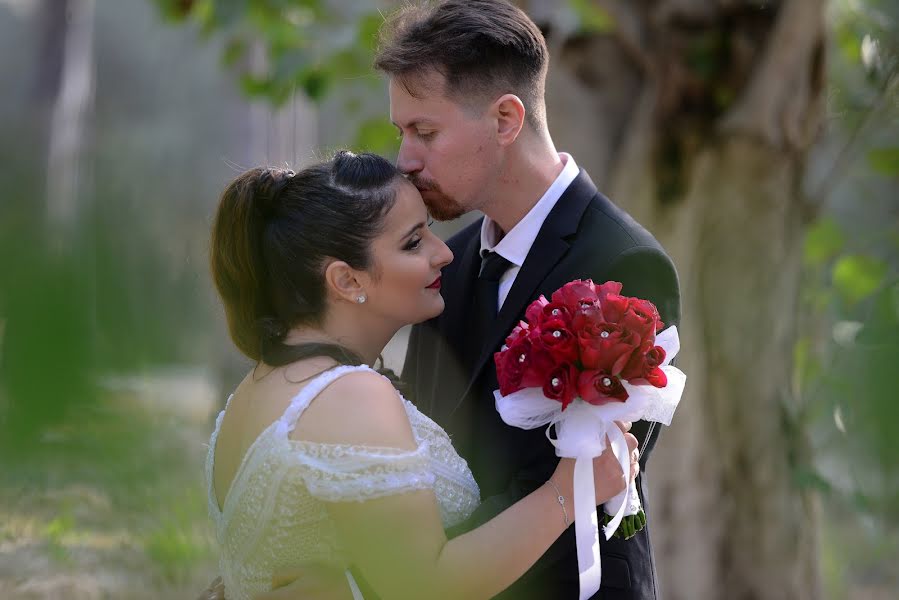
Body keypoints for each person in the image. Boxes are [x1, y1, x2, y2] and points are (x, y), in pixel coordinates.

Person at [202, 150, 639, 600]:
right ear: (347, 281)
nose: (445, 253)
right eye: (413, 243)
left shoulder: (257, 389)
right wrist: (566, 491)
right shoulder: (348, 396)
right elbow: (428, 585)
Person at [384, 1, 681, 598]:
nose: (406, 160)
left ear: (505, 119)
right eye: (402, 133)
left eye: (425, 132)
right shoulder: (451, 258)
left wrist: (416, 566)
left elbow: (582, 479)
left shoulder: (624, 265)